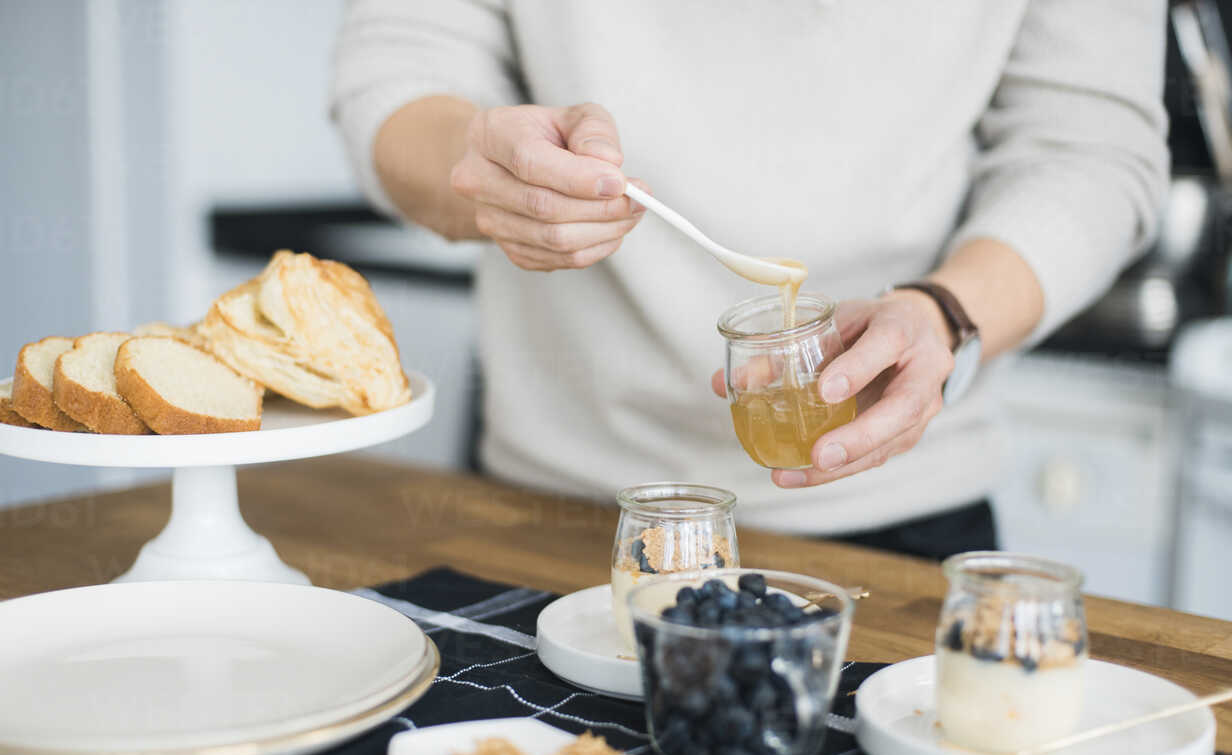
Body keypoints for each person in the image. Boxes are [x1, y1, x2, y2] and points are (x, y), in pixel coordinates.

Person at [330, 1, 1168, 559]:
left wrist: (947, 312)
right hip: (550, 502)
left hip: (894, 517)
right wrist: (477, 163)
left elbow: (1089, 149)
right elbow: (399, 68)